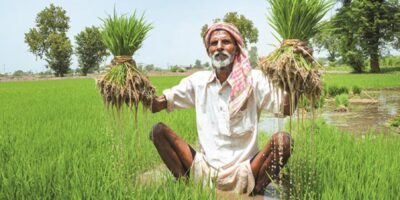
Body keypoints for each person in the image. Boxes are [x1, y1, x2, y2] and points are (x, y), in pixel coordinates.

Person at [150, 22, 311, 195]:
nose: (219, 47)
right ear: (208, 51)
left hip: (246, 171)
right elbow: (157, 104)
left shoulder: (253, 81)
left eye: (225, 42)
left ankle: (255, 192)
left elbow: (286, 109)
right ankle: (186, 188)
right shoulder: (197, 82)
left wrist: (296, 79)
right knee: (157, 131)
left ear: (236, 48)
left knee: (283, 141)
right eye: (213, 43)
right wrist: (132, 88)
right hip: (205, 170)